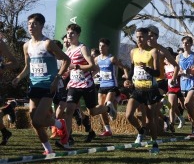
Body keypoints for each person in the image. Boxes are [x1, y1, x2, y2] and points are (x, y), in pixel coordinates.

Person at [11, 13, 71, 154]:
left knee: (38, 121)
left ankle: (59, 124)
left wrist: (57, 79)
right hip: (34, 85)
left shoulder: (48, 43)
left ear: (42, 26)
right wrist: (18, 78)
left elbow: (66, 60)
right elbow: (27, 67)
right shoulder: (26, 46)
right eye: (29, 24)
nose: (31, 26)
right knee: (34, 120)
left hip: (48, 85)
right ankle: (48, 150)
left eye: (34, 24)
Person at [63, 23, 117, 147]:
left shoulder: (82, 48)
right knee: (69, 110)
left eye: (72, 33)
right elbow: (70, 68)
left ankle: (108, 108)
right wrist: (66, 74)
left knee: (92, 111)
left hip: (87, 84)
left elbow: (92, 66)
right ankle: (67, 139)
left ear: (78, 35)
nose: (69, 35)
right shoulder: (68, 50)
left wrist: (76, 66)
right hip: (74, 85)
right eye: (68, 33)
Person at [125, 27, 161, 154]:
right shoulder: (133, 51)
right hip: (137, 89)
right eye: (137, 36)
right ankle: (141, 130)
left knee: (151, 119)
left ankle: (155, 143)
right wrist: (128, 80)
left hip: (151, 89)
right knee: (128, 115)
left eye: (141, 37)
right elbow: (132, 68)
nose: (139, 39)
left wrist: (147, 68)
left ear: (147, 38)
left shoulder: (153, 52)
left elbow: (157, 72)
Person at [95, 38, 129, 137]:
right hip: (102, 86)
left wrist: (126, 75)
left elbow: (123, 67)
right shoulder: (97, 59)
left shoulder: (111, 58)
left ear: (107, 47)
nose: (101, 48)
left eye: (103, 46)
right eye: (99, 46)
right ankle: (108, 130)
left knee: (108, 103)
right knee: (101, 109)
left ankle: (112, 109)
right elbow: (92, 67)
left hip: (111, 85)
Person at [0, 38, 19, 145]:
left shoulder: (1, 43)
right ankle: (9, 109)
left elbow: (15, 63)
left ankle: (8, 108)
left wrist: (2, 66)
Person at [176, 36, 194, 133]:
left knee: (187, 103)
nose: (185, 44)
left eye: (187, 43)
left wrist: (192, 71)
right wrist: (183, 71)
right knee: (188, 106)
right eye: (183, 43)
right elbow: (176, 71)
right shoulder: (178, 57)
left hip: (193, 83)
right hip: (183, 83)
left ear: (191, 44)